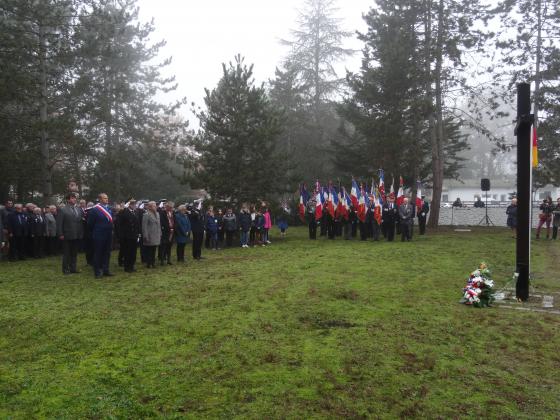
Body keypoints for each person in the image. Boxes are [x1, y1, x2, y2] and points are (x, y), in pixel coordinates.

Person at [87, 193, 114, 278]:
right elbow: (90, 224)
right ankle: (97, 271)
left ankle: (106, 269)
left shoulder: (109, 208)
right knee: (98, 253)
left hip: (108, 234)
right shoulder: (94, 210)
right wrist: (96, 231)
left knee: (107, 253)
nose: (107, 199)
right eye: (105, 198)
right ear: (100, 199)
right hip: (99, 235)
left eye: (107, 198)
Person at [57, 193, 84, 274]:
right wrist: (60, 234)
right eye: (72, 198)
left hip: (76, 234)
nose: (74, 199)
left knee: (74, 253)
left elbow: (80, 222)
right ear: (68, 200)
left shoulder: (78, 209)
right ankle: (65, 269)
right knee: (67, 254)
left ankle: (73, 268)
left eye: (75, 198)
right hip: (67, 235)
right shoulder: (63, 210)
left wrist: (81, 233)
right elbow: (59, 223)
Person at [118, 198, 140, 273]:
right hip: (127, 236)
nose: (134, 205)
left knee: (133, 252)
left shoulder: (135, 212)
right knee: (127, 252)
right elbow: (120, 224)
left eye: (134, 204)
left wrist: (138, 233)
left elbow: (137, 224)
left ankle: (132, 265)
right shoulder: (124, 212)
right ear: (129, 205)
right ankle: (127, 267)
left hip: (134, 235)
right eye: (132, 204)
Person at [142, 201, 161, 269]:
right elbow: (144, 226)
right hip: (150, 235)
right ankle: (149, 263)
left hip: (156, 234)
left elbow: (159, 225)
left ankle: (153, 262)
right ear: (150, 207)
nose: (156, 207)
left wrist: (160, 233)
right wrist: (145, 236)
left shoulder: (158, 214)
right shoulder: (146, 214)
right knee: (149, 250)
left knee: (154, 249)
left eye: (156, 206)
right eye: (154, 206)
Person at [158, 201, 175, 265]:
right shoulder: (162, 213)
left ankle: (168, 260)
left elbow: (174, 221)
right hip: (165, 232)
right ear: (167, 207)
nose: (171, 208)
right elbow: (162, 222)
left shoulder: (172, 213)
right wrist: (168, 228)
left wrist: (173, 227)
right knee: (163, 247)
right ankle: (162, 260)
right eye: (170, 207)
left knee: (169, 246)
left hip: (172, 232)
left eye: (172, 207)